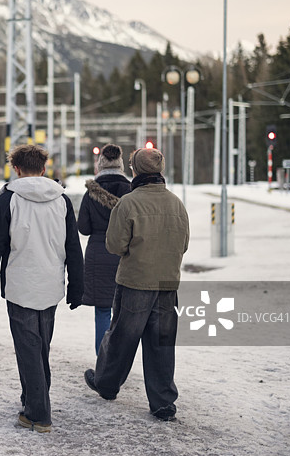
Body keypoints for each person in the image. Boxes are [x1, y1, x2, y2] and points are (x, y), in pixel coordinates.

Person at [0, 144, 84, 434]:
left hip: (20, 285)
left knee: (28, 350)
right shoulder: (62, 200)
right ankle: (32, 401)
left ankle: (39, 414)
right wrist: (77, 286)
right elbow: (73, 247)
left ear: (16, 169)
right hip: (51, 285)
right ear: (43, 168)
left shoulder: (7, 200)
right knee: (40, 349)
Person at [83, 147, 189, 422]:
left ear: (136, 171)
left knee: (121, 338)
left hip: (135, 283)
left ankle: (106, 384)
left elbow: (115, 244)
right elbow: (184, 244)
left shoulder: (129, 203)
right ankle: (163, 402)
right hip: (168, 285)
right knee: (162, 344)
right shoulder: (176, 203)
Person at [77, 144, 132, 355]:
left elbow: (83, 228)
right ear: (120, 165)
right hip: (125, 256)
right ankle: (119, 362)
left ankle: (103, 360)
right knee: (123, 313)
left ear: (100, 166)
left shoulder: (90, 192)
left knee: (102, 311)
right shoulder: (131, 191)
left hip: (98, 255)